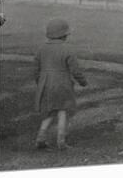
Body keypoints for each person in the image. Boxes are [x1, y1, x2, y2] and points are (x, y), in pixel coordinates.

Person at [34, 18, 88, 150]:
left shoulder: (41, 48)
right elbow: (75, 71)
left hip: (45, 84)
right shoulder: (68, 49)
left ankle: (41, 138)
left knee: (50, 112)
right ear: (63, 35)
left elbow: (36, 70)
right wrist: (83, 82)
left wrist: (40, 84)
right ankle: (61, 141)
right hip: (62, 84)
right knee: (63, 111)